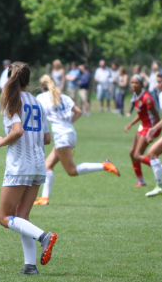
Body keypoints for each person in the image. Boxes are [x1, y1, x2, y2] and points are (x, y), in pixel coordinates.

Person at [0, 62, 57, 276]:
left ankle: (44, 236)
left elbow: (17, 130)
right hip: (38, 163)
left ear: (10, 79)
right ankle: (30, 266)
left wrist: (1, 141)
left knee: (4, 217)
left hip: (20, 164)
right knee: (22, 217)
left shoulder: (13, 100)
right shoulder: (37, 102)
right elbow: (47, 138)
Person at [33, 75, 120, 206]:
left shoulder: (41, 98)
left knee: (72, 171)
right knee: (48, 166)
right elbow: (78, 112)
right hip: (71, 133)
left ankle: (104, 165)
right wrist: (68, 124)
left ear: (41, 87)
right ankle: (44, 198)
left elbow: (36, 115)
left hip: (62, 137)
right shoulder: (63, 96)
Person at [125, 75, 162, 187]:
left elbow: (156, 116)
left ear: (141, 84)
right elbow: (140, 114)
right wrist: (131, 124)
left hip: (150, 127)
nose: (134, 85)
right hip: (143, 125)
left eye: (136, 83)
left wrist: (152, 132)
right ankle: (141, 181)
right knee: (132, 153)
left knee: (137, 155)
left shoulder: (147, 98)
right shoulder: (136, 96)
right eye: (132, 82)